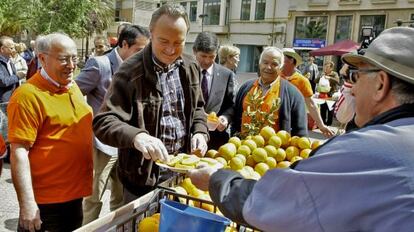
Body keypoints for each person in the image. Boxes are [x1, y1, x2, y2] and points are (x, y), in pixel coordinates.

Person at [189, 27, 414, 232]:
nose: (352, 90)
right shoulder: (247, 87)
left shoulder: (363, 150)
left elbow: (277, 204)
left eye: (356, 77)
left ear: (381, 84)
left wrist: (217, 180)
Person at [93, 3, 208, 203]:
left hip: (182, 174)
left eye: (178, 42)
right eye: (163, 41)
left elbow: (198, 108)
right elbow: (104, 122)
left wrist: (200, 131)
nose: (171, 50)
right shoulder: (130, 71)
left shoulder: (191, 67)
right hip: (142, 180)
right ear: (152, 34)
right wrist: (137, 137)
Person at [8, 33, 93, 231]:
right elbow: (19, 152)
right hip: (46, 205)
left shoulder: (71, 86)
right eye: (64, 59)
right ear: (42, 58)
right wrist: (27, 204)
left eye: (74, 58)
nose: (71, 65)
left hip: (73, 198)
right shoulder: (27, 96)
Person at [76, 24, 150, 225]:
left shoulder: (140, 68)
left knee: (120, 199)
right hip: (101, 146)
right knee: (93, 197)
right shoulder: (100, 64)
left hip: (127, 145)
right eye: (139, 51)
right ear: (124, 44)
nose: (143, 56)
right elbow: (73, 93)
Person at [231, 47, 308, 137]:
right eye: (265, 62)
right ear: (259, 64)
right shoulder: (246, 87)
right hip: (244, 148)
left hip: (275, 150)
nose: (268, 67)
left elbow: (301, 132)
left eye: (274, 64)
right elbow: (235, 119)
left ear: (281, 67)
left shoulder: (293, 94)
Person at [193, 32, 235, 149]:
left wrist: (225, 118)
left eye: (211, 57)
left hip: (215, 141)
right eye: (203, 56)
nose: (207, 61)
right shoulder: (184, 72)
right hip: (189, 138)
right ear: (194, 51)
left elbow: (231, 105)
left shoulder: (226, 75)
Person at [281, 48, 334, 137]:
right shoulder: (275, 77)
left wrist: (321, 125)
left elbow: (311, 104)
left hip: (294, 125)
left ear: (291, 60)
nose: (279, 61)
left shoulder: (302, 81)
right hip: (275, 123)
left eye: (282, 58)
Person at [315, 61, 340, 126]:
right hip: (323, 94)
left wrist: (330, 78)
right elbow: (315, 81)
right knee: (323, 108)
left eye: (327, 67)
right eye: (325, 67)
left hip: (331, 94)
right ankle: (322, 122)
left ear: (331, 68)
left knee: (330, 109)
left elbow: (337, 81)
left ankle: (329, 123)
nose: (325, 68)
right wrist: (320, 77)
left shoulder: (335, 74)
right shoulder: (323, 73)